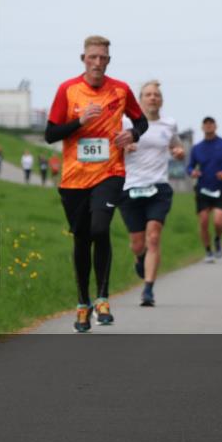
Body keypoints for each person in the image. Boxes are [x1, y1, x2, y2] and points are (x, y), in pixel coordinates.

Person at [45, 35, 147, 332]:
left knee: (100, 229)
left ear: (109, 61)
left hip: (110, 172)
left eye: (103, 58)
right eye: (93, 57)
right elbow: (51, 134)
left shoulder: (121, 90)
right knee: (81, 238)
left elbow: (141, 122)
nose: (98, 63)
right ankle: (82, 303)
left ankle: (103, 299)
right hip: (74, 178)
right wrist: (80, 122)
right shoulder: (68, 90)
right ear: (84, 59)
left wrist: (133, 135)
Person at [120, 80, 185, 307]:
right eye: (148, 94)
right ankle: (140, 258)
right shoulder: (126, 121)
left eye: (156, 95)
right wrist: (123, 146)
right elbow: (111, 145)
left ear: (161, 100)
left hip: (158, 186)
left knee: (154, 237)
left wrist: (178, 152)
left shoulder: (169, 124)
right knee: (137, 244)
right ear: (140, 99)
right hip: (131, 187)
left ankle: (148, 289)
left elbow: (175, 146)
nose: (152, 98)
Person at [187, 117, 222, 263]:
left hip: (221, 188)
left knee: (218, 222)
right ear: (202, 127)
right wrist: (192, 172)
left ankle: (218, 238)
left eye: (211, 124)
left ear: (216, 126)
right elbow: (189, 166)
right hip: (203, 189)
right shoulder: (197, 148)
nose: (209, 126)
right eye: (206, 124)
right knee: (203, 221)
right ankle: (208, 251)